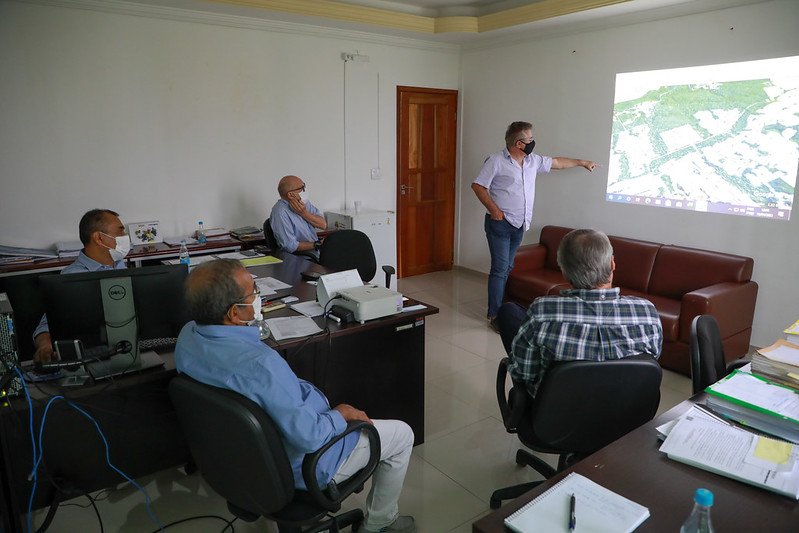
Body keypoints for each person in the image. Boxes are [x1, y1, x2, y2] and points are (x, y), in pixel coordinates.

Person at [175, 259, 416, 533]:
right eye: (253, 290)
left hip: (241, 458)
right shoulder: (261, 365)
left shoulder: (187, 337)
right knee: (402, 434)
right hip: (304, 465)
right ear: (234, 313)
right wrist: (341, 414)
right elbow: (310, 437)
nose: (258, 295)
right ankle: (380, 524)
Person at [499, 229, 663, 396]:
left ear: (564, 271)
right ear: (612, 264)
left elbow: (523, 373)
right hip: (629, 413)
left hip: (556, 412)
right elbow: (651, 362)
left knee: (510, 312)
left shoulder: (542, 311)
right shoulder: (648, 312)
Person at [471, 121, 598, 329]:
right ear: (519, 143)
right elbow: (478, 185)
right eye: (529, 139)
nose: (533, 142)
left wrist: (582, 162)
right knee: (500, 269)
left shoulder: (532, 161)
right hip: (500, 224)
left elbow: (557, 163)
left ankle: (504, 307)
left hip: (520, 224)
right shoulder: (496, 161)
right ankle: (494, 315)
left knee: (508, 267)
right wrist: (494, 210)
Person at [32, 208, 130, 363]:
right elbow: (47, 324)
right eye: (120, 232)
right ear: (99, 238)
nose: (125, 237)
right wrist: (45, 346)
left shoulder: (119, 264)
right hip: (95, 354)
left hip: (127, 345)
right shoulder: (72, 277)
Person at [270, 175, 327, 258]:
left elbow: (323, 225)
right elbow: (290, 246)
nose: (304, 190)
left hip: (317, 253)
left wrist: (303, 213)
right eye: (302, 188)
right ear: (290, 195)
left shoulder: (303, 203)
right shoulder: (280, 212)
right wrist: (317, 244)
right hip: (301, 259)